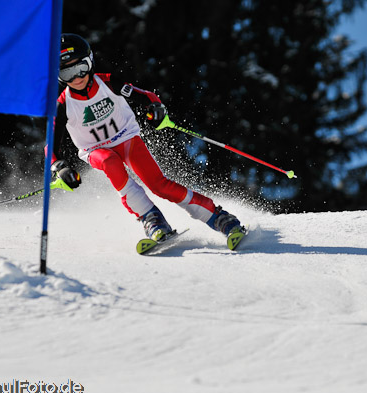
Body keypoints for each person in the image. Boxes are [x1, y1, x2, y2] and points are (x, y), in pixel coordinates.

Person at [48, 33, 244, 243]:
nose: (77, 77)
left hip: (126, 138)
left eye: (81, 68)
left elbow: (145, 96)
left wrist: (155, 108)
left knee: (158, 185)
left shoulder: (109, 82)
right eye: (67, 72)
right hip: (94, 150)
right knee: (109, 161)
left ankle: (217, 216)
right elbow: (51, 146)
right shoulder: (62, 105)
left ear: (90, 62)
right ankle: (151, 218)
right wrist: (60, 167)